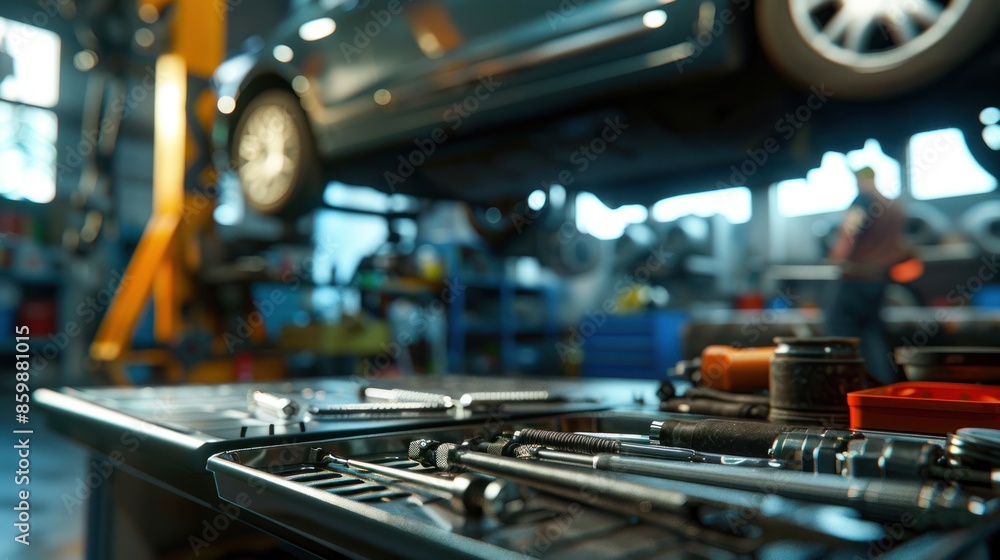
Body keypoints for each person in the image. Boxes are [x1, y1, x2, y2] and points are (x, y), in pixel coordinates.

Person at [825, 167, 911, 384]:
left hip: (855, 279)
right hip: (879, 280)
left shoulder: (863, 200)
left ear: (860, 179)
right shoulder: (893, 206)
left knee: (841, 335)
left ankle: (848, 387)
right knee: (872, 334)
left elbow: (850, 230)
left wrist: (838, 256)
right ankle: (882, 389)